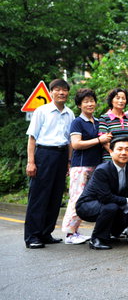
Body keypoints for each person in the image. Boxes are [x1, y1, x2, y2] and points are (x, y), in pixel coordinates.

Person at [24, 79, 75, 249]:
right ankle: (32, 236)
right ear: (51, 92)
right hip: (44, 154)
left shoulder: (70, 113)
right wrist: (31, 162)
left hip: (61, 157)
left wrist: (69, 162)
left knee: (55, 196)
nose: (62, 93)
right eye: (58, 90)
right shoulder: (42, 111)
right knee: (39, 196)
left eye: (65, 90)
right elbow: (32, 138)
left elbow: (69, 141)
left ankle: (46, 233)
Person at [61, 88, 110, 245]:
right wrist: (99, 140)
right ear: (79, 105)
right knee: (77, 198)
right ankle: (70, 233)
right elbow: (76, 144)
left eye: (92, 101)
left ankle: (76, 231)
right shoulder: (77, 122)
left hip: (96, 166)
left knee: (88, 199)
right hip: (80, 166)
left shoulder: (97, 122)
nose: (90, 104)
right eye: (86, 101)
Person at [76, 136, 128, 250]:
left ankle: (112, 233)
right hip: (87, 205)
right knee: (112, 207)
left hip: (110, 202)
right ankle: (96, 239)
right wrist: (126, 201)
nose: (123, 153)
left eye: (127, 149)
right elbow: (105, 197)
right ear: (111, 152)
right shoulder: (102, 170)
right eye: (119, 149)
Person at [98, 88, 128, 162]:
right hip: (111, 159)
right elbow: (104, 141)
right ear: (111, 100)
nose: (121, 101)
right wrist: (117, 155)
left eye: (123, 98)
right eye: (118, 98)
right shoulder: (104, 118)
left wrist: (127, 153)